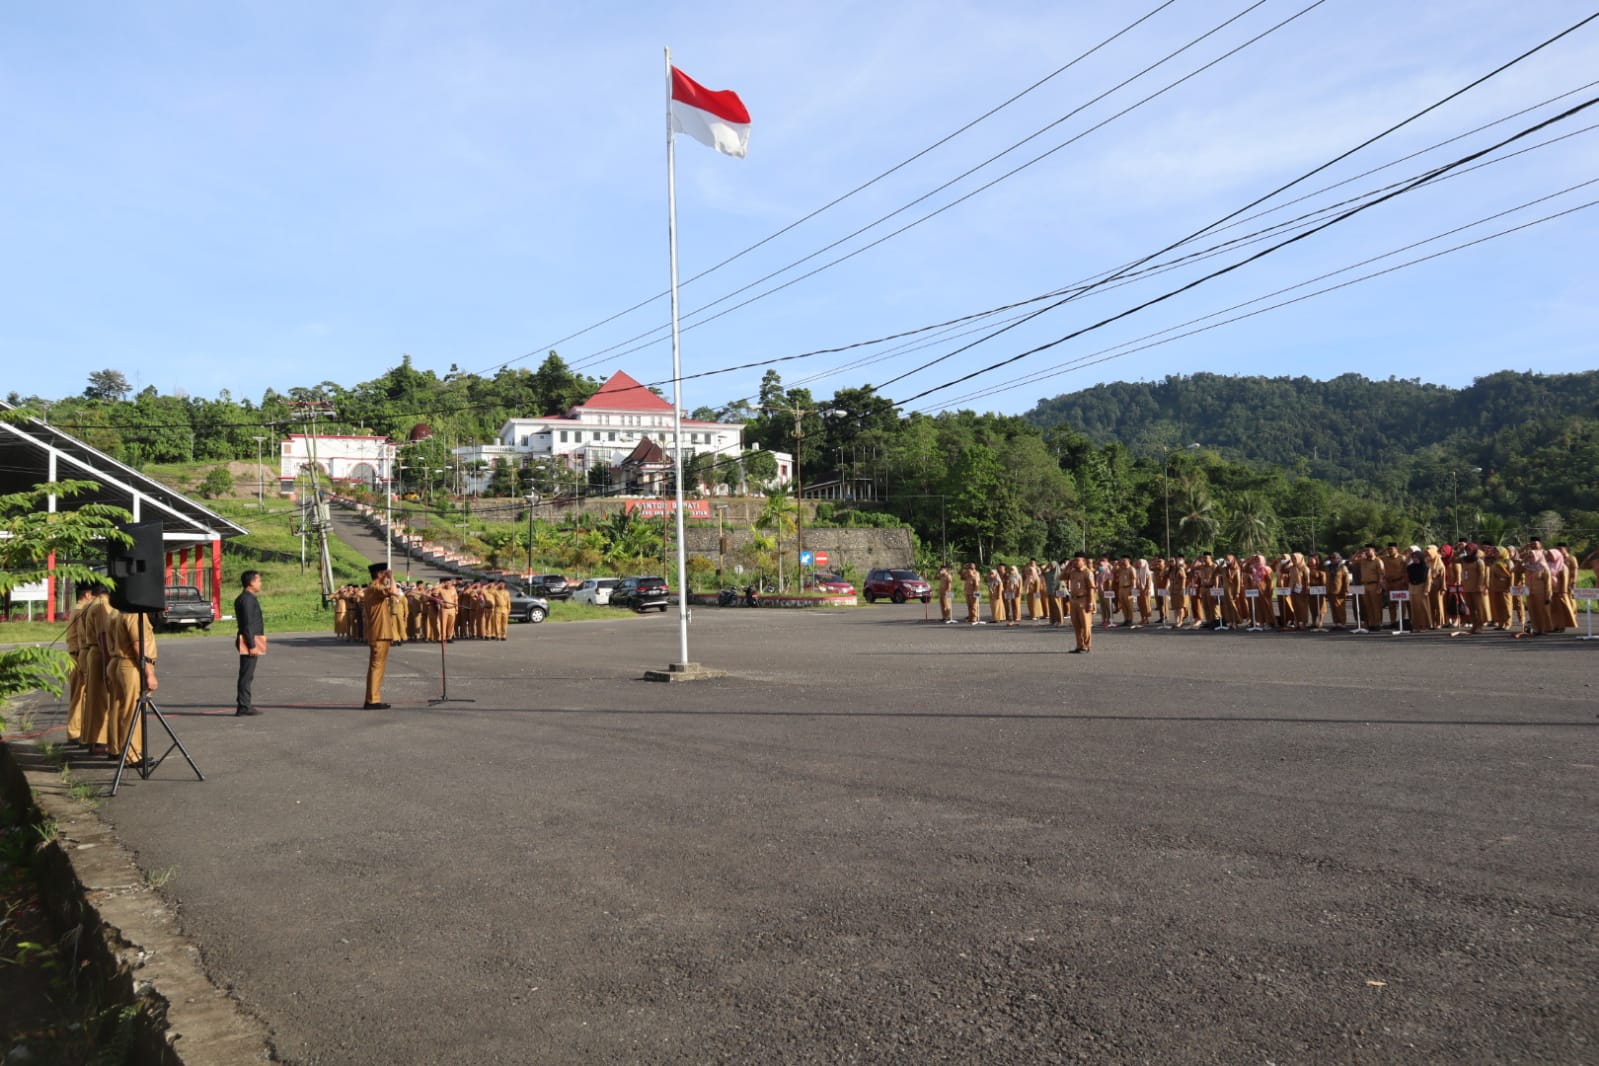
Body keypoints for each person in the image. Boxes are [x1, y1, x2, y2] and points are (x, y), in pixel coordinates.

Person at [105, 604, 158, 766]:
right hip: (131, 665)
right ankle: (132, 754)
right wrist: (149, 673)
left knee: (117, 709)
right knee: (133, 710)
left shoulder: (115, 612)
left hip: (117, 662)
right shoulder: (134, 615)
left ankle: (116, 748)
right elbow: (138, 644)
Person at [362, 563, 405, 708]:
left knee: (377, 667)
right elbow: (394, 592)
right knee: (377, 666)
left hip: (381, 632)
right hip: (379, 633)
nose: (386, 576)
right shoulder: (375, 587)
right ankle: (372, 700)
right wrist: (392, 578)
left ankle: (373, 698)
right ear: (380, 574)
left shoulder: (373, 588)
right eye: (384, 573)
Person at [63, 586, 96, 744]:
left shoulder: (77, 609)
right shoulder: (81, 610)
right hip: (77, 656)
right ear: (87, 594)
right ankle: (74, 732)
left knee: (81, 696)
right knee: (78, 696)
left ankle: (79, 730)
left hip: (75, 655)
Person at [234, 570, 266, 715]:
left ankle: (245, 704)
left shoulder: (249, 598)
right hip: (249, 639)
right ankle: (244, 706)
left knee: (248, 674)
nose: (260, 583)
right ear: (251, 582)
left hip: (254, 638)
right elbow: (247, 624)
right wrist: (252, 645)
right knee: (246, 674)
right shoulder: (246, 599)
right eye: (259, 580)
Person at [1065, 554, 1096, 653]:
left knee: (1085, 624)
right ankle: (1079, 645)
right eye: (1074, 560)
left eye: (1077, 560)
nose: (1075, 562)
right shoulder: (1073, 572)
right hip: (1074, 600)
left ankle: (1086, 646)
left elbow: (1091, 588)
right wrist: (1068, 566)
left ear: (1084, 561)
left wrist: (1090, 603)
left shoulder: (1087, 572)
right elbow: (1061, 577)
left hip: (1084, 600)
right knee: (1076, 624)